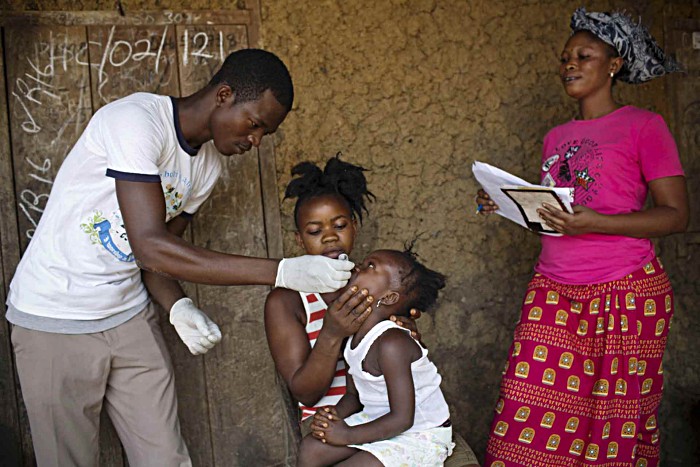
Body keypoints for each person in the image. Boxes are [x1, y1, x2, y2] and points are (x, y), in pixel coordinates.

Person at [6, 49, 356, 467]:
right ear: (224, 94)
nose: (255, 141)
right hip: (55, 315)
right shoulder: (134, 122)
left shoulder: (206, 167)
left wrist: (177, 305)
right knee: (69, 460)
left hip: (127, 314)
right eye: (255, 124)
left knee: (165, 457)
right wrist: (281, 272)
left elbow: (160, 261)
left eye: (265, 134)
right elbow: (149, 244)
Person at [478, 8, 687, 467]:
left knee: (613, 423)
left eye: (584, 56)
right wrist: (510, 205)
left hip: (627, 290)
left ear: (613, 65)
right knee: (526, 412)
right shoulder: (556, 137)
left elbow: (676, 216)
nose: (569, 64)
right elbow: (559, 217)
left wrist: (596, 224)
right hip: (553, 288)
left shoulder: (644, 126)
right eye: (565, 57)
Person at [265, 155, 479, 466]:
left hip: (392, 413)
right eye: (314, 230)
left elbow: (400, 363)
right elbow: (306, 393)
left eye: (339, 225)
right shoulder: (287, 300)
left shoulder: (374, 287)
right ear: (299, 239)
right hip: (336, 411)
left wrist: (405, 330)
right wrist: (333, 333)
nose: (329, 236)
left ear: (353, 226)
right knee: (313, 451)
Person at [295, 248, 455, 466]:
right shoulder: (351, 335)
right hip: (377, 420)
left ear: (388, 297)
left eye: (371, 266)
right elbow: (354, 396)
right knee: (311, 449)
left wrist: (346, 435)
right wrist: (332, 417)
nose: (358, 267)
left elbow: (402, 419)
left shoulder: (392, 344)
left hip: (420, 434)